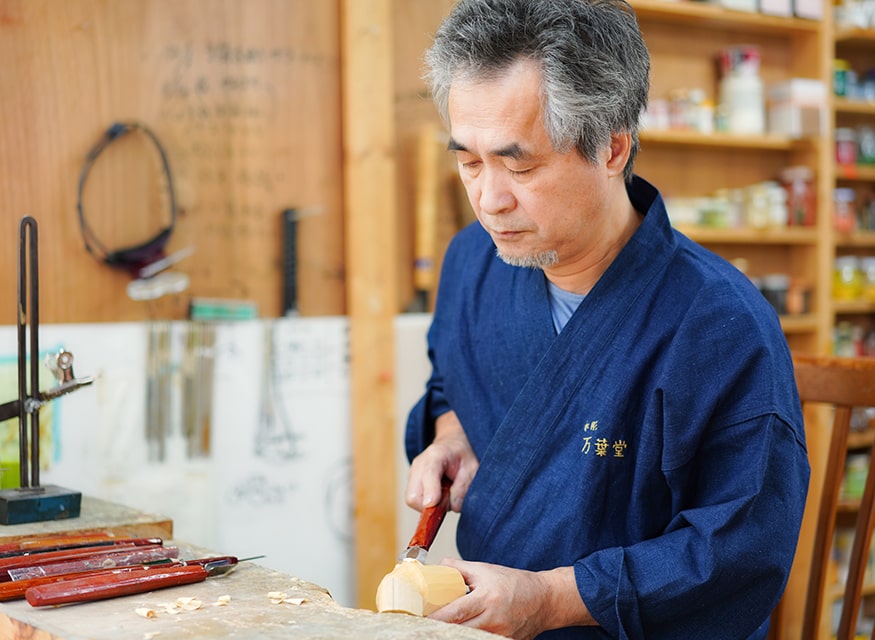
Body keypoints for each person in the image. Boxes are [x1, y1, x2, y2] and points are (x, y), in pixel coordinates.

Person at [403, 1, 811, 638]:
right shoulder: (470, 264)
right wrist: (454, 433)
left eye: (520, 164)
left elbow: (740, 550)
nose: (489, 199)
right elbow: (451, 379)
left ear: (612, 146)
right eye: (469, 162)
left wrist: (552, 598)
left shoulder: (720, 326)